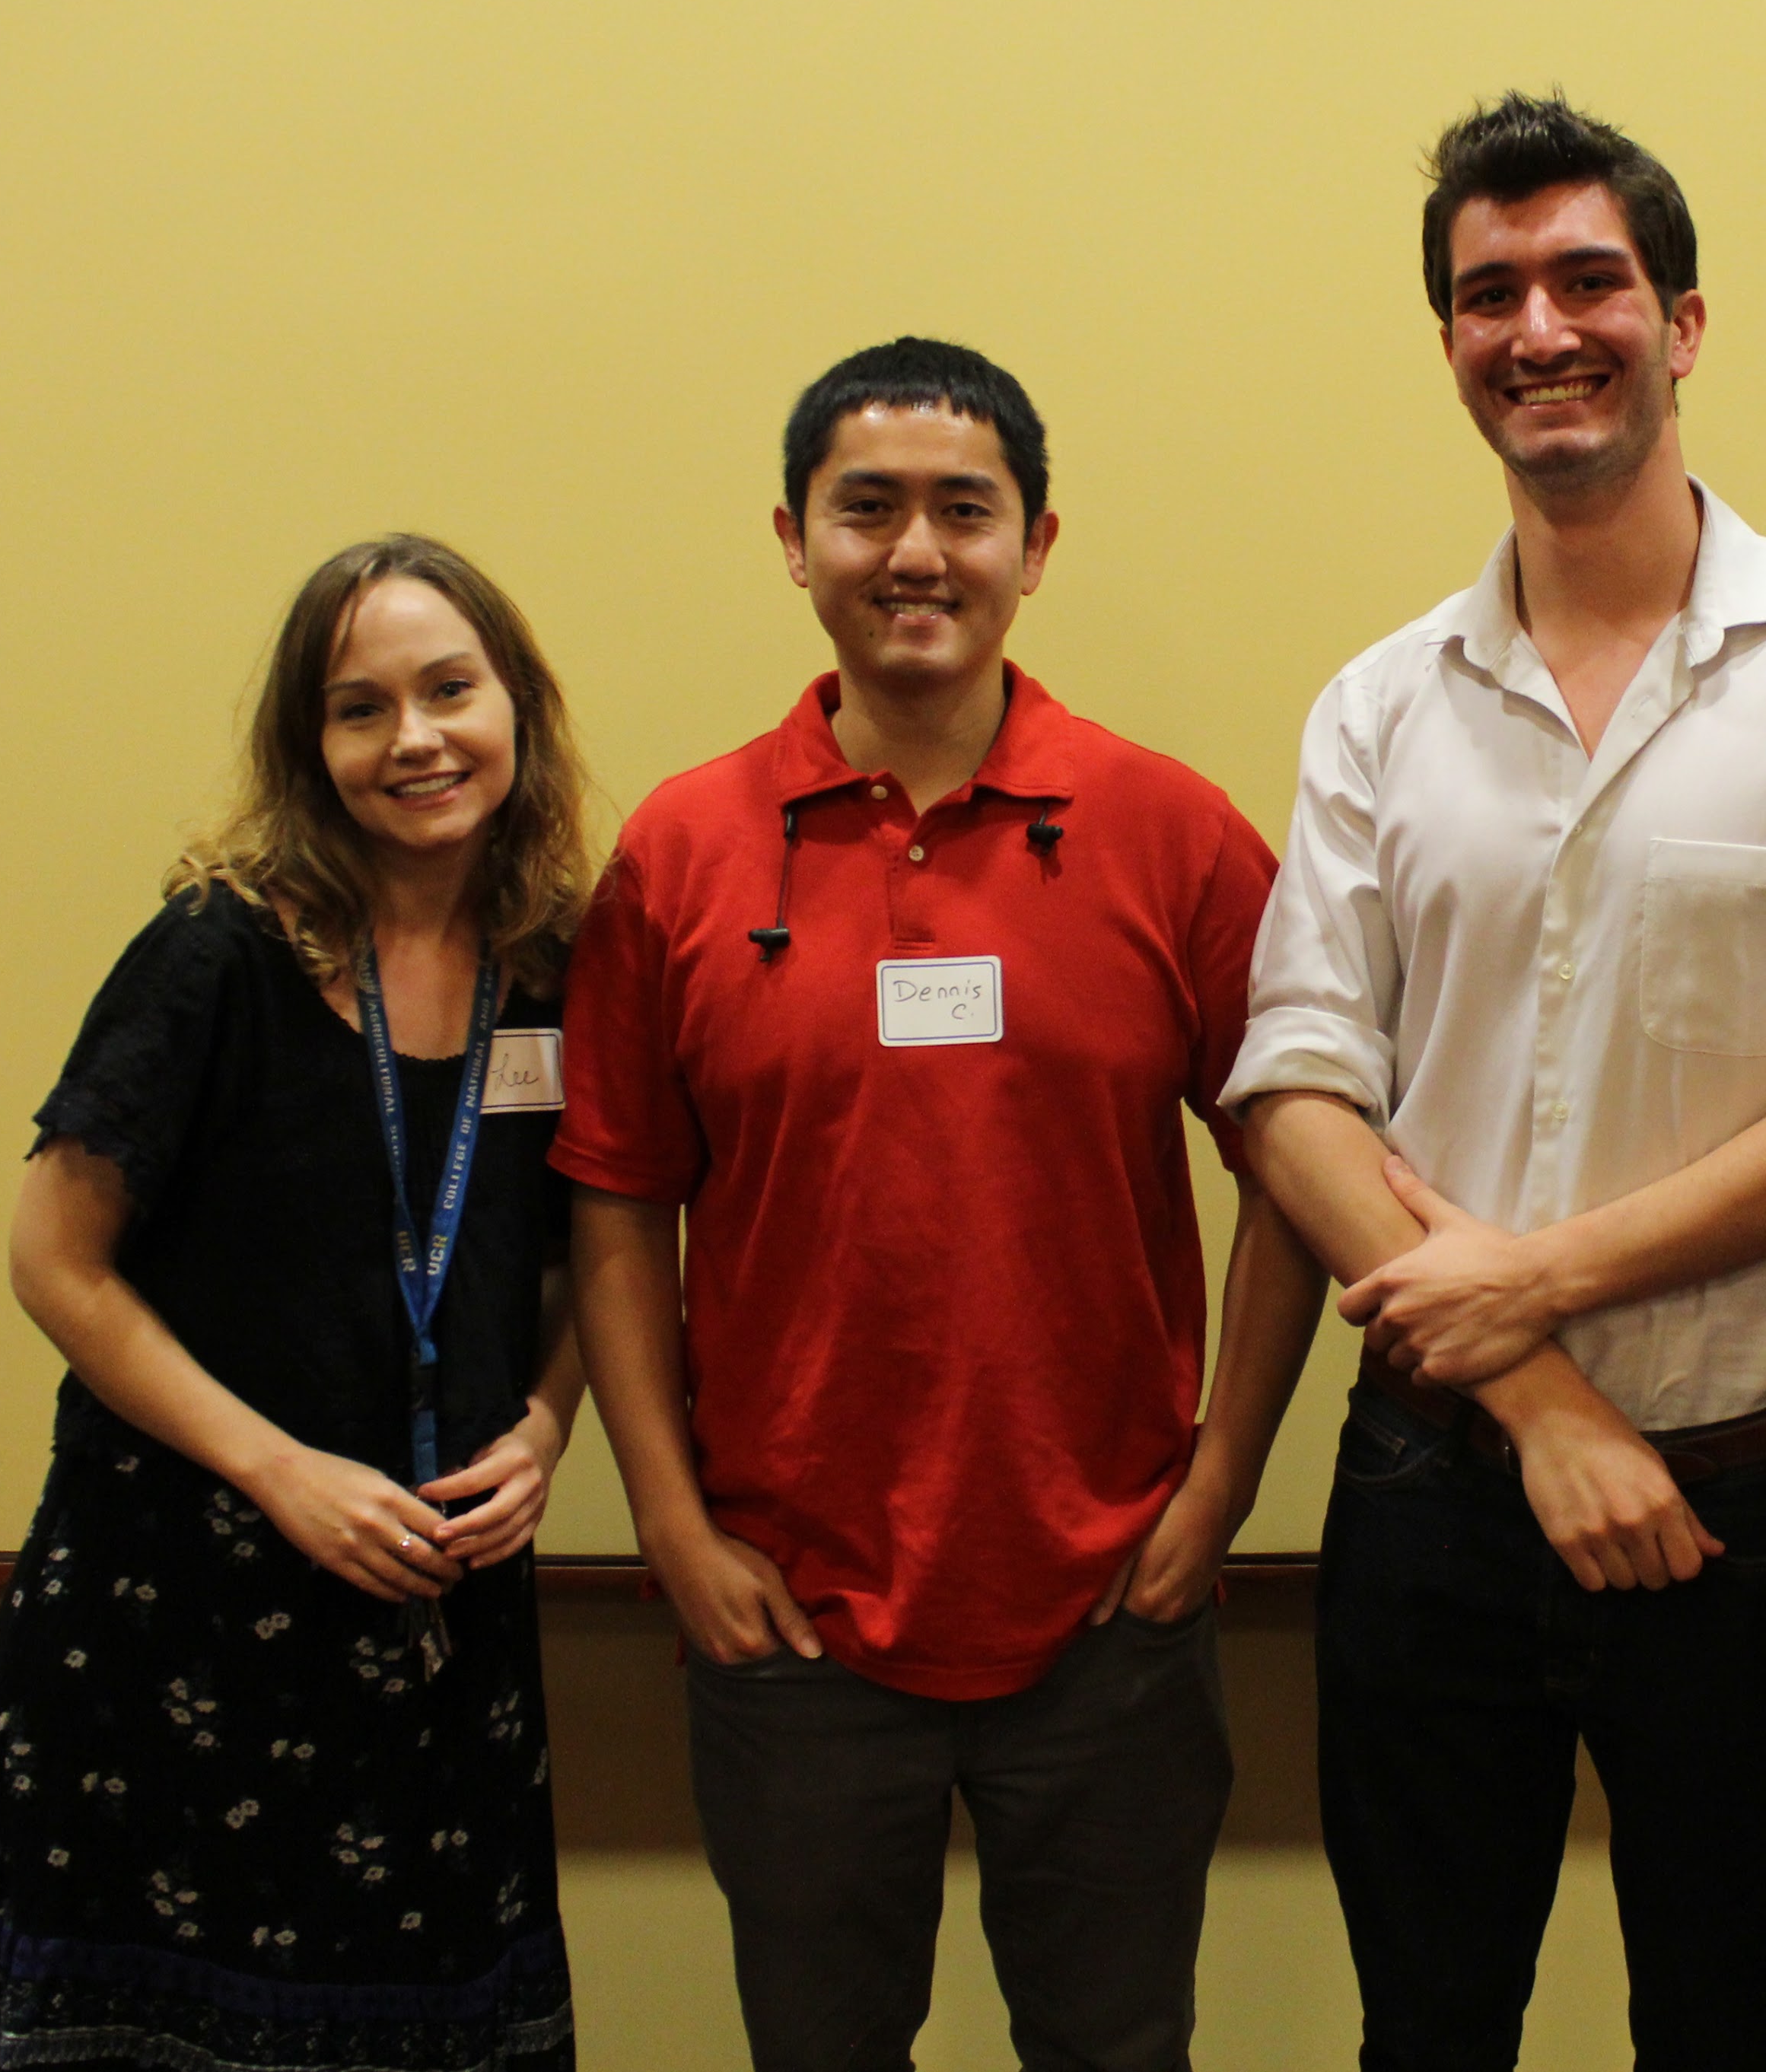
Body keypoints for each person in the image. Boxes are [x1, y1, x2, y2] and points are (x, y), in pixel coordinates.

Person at [1227, 94, 1766, 2072]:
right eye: (1489, 294)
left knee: (1724, 2028)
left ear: (1683, 323)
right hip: (1430, 1497)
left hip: (1736, 1509)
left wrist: (1539, 1279)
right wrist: (1545, 1398)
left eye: (1589, 281)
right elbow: (1295, 1092)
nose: (1540, 329)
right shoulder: (1377, 705)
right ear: (1449, 343)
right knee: (1426, 2031)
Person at [554, 337, 1321, 2072]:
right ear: (793, 539)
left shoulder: (1170, 832)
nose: (916, 552)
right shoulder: (681, 850)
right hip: (788, 1617)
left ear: (1034, 544)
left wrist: (1220, 1481)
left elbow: (1298, 1161)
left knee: (1119, 2050)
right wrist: (671, 1527)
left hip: (1110, 1609)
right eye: (868, 509)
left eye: (964, 510)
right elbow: (614, 1204)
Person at [0, 535, 596, 2072]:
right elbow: (55, 1258)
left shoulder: (557, 967)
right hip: (175, 1618)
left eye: (450, 689)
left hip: (440, 1622)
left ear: (517, 703)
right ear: (310, 747)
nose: (415, 737)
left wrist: (545, 1425)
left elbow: (588, 1252)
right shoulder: (217, 951)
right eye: (360, 708)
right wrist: (280, 1470)